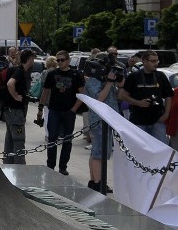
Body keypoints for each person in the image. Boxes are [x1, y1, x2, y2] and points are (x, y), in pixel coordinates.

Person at [37, 50, 85, 176]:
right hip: (54, 110)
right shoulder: (52, 73)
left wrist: (74, 109)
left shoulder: (76, 74)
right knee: (52, 138)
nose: (59, 62)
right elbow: (45, 91)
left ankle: (63, 166)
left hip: (69, 111)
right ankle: (50, 165)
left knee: (67, 139)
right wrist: (40, 109)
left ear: (68, 60)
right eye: (57, 60)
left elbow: (82, 94)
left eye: (62, 60)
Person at [85, 53, 123, 192]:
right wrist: (108, 82)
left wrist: (117, 81)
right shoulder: (92, 82)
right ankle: (98, 182)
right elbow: (99, 98)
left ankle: (94, 179)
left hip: (107, 121)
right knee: (99, 153)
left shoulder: (105, 81)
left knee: (98, 152)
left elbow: (118, 95)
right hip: (99, 121)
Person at [119, 50, 173, 143]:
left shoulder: (161, 76)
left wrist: (166, 114)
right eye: (153, 61)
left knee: (161, 148)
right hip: (138, 120)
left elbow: (168, 96)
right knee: (140, 150)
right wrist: (138, 103)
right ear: (144, 62)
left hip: (158, 120)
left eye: (157, 61)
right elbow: (122, 96)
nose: (156, 63)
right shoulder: (134, 76)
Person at [2, 49, 35, 164]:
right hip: (15, 110)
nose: (33, 61)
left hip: (9, 109)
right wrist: (16, 96)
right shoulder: (20, 71)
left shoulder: (18, 70)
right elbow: (10, 84)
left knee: (10, 138)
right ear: (30, 59)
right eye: (33, 59)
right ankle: (20, 166)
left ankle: (8, 162)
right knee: (18, 139)